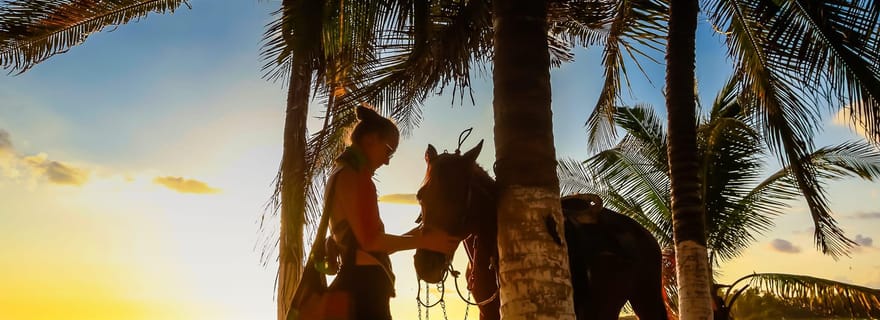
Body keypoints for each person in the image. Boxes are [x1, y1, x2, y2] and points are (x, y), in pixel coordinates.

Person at [326, 105, 459, 320]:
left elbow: (370, 246)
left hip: (359, 287)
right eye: (388, 150)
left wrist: (418, 234)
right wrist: (426, 241)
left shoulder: (341, 173)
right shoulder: (355, 177)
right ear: (371, 140)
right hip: (365, 292)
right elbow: (371, 242)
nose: (387, 161)